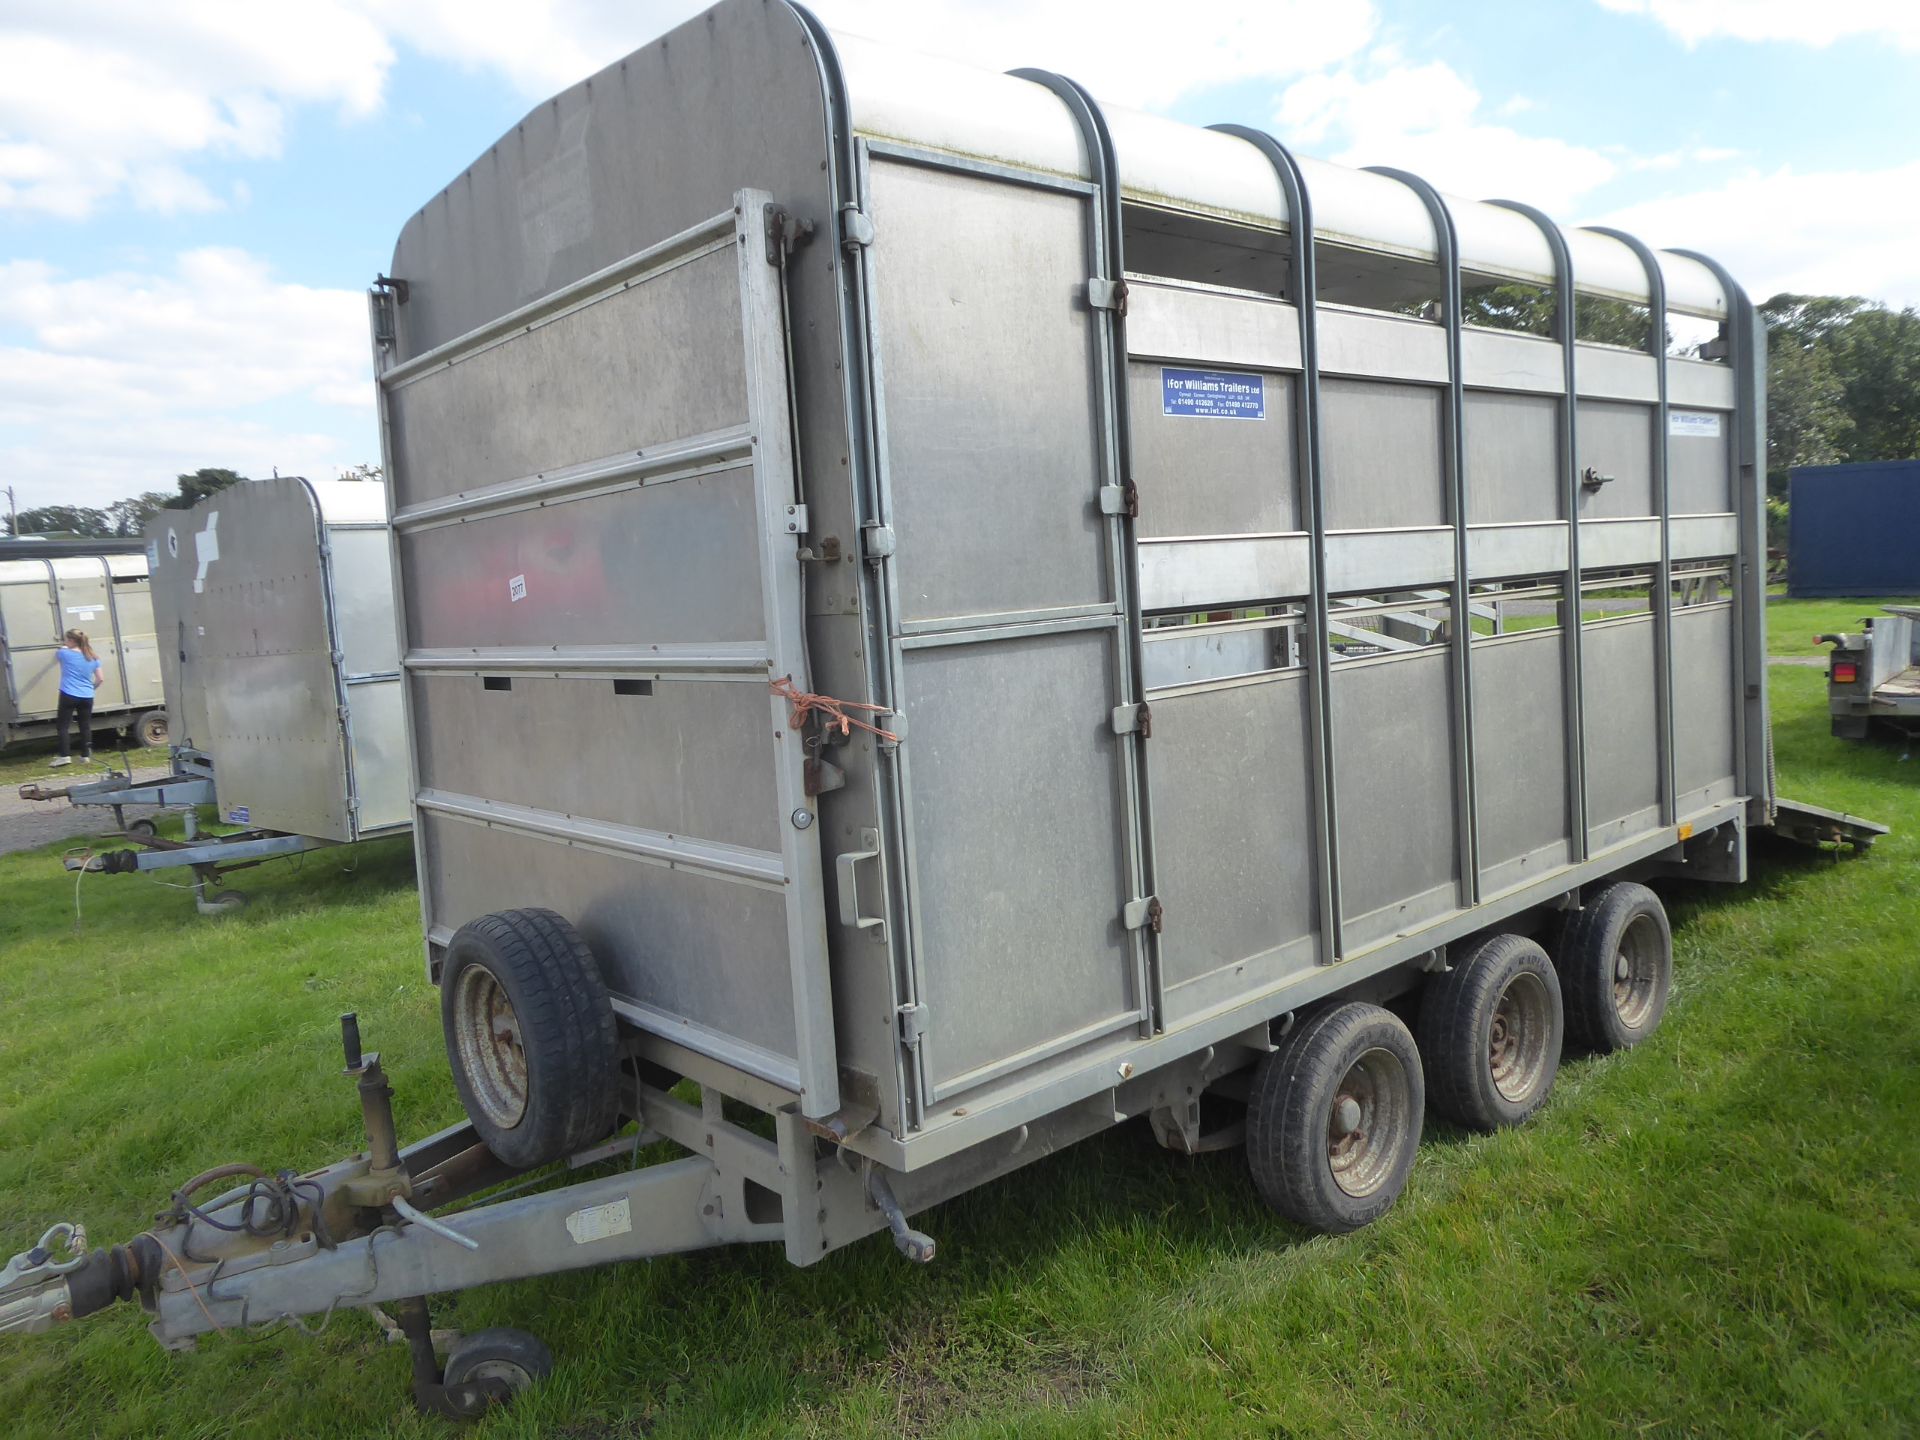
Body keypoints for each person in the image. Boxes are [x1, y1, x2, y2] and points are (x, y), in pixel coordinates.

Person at [49, 629, 104, 768]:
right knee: (85, 726)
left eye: (67, 639)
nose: (65, 642)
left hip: (68, 693)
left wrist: (65, 646)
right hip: (87, 696)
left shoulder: (64, 653)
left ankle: (64, 756)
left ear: (72, 641)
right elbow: (100, 679)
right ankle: (85, 756)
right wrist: (91, 689)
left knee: (63, 726)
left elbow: (61, 650)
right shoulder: (93, 657)